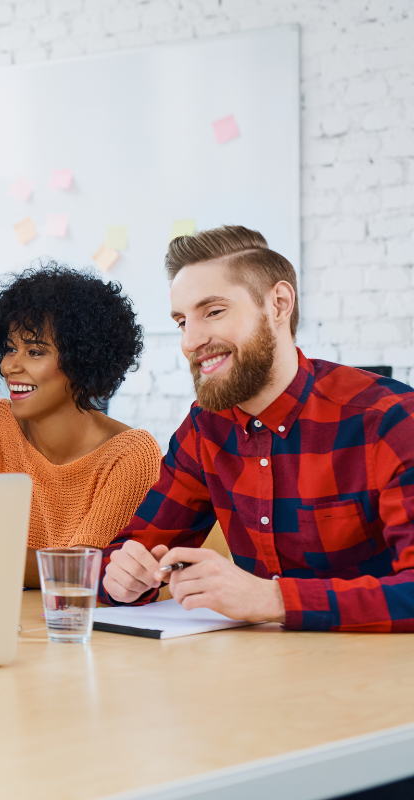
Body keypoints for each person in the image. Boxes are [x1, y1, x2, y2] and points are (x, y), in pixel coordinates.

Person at [100, 225, 414, 632]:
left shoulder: (389, 420)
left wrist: (271, 599)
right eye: (181, 321)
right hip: (258, 674)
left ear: (279, 304)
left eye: (213, 312)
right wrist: (123, 577)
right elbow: (133, 549)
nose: (191, 342)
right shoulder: (204, 429)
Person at [0, 264, 161, 586]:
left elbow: (83, 569)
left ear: (83, 362)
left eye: (35, 351)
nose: (9, 366)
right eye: (10, 349)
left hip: (77, 627)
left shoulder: (130, 455)